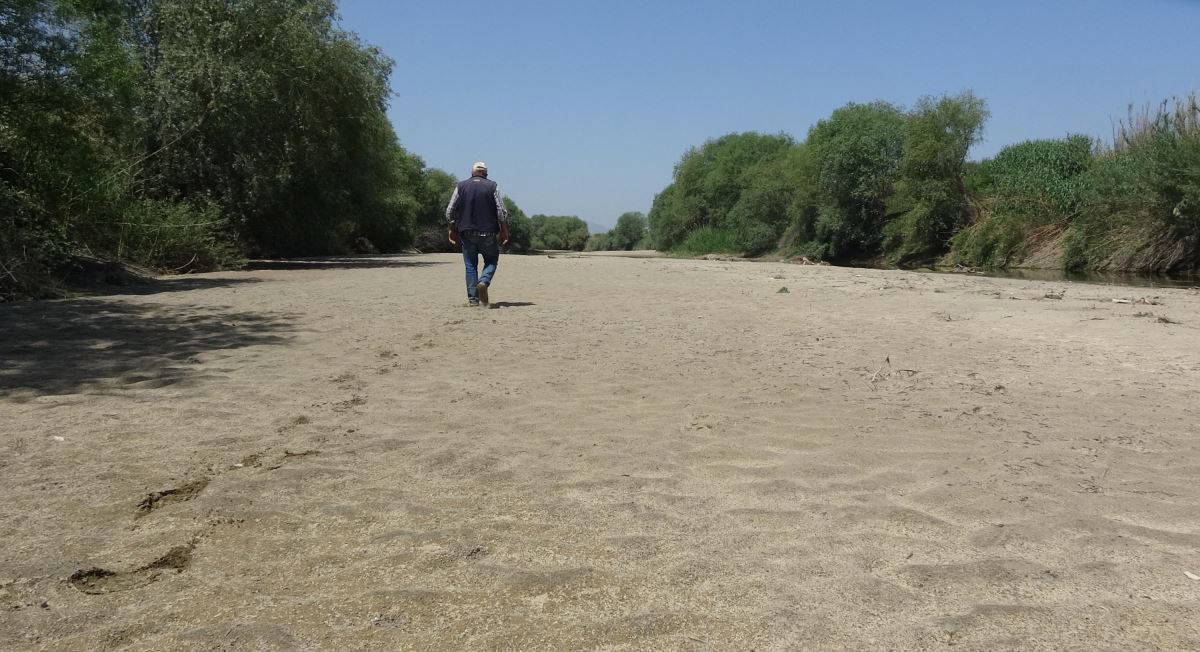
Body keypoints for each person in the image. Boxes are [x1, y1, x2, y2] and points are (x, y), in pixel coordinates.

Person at [446, 162, 510, 307]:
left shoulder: (461, 186)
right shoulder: (492, 186)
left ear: (472, 172)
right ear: (486, 173)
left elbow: (450, 210)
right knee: (492, 260)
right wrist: (504, 231)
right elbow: (501, 212)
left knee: (470, 266)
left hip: (466, 232)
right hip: (488, 232)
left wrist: (451, 228)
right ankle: (483, 281)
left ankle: (473, 301)